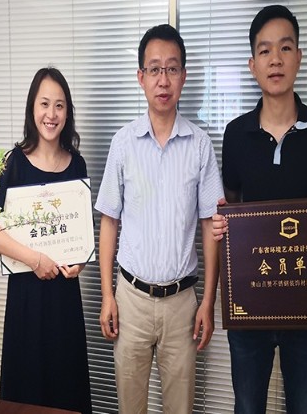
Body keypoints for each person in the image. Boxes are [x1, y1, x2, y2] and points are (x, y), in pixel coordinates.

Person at [212, 5, 307, 414]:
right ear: (252, 65)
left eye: (285, 48)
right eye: (265, 50)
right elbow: (232, 209)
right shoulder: (235, 135)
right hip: (250, 313)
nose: (275, 59)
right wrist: (221, 225)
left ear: (299, 57)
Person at [95, 24, 224, 413]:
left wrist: (208, 302)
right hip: (130, 299)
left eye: (171, 68)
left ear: (183, 75)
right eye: (154, 69)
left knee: (180, 408)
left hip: (182, 303)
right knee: (130, 407)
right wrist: (107, 295)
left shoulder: (200, 145)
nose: (163, 80)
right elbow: (109, 221)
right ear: (141, 77)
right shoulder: (123, 143)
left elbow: (211, 226)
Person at [0, 67, 92, 413]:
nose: (51, 114)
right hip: (26, 300)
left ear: (67, 112)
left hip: (64, 300)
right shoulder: (12, 163)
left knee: (66, 389)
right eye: (44, 104)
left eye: (59, 105)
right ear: (32, 108)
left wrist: (80, 262)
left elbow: (81, 232)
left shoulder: (77, 165)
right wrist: (33, 259)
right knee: (26, 392)